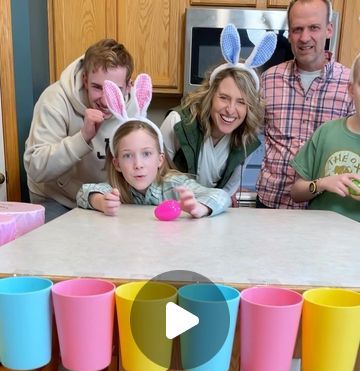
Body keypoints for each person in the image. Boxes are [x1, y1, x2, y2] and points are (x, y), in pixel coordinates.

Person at [76, 74, 231, 217]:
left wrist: (200, 207)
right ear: (117, 164)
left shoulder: (174, 185)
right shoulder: (118, 188)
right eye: (128, 155)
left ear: (160, 159)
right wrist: (101, 202)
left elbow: (221, 196)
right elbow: (83, 192)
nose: (138, 165)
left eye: (147, 154)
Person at [256, 0, 354, 209]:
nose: (304, 37)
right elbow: (244, 138)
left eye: (314, 28)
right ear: (289, 34)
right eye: (297, 29)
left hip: (323, 211)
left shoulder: (351, 86)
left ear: (328, 30)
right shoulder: (269, 79)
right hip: (270, 205)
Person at [159, 25, 277, 200]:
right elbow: (157, 173)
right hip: (172, 209)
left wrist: (207, 207)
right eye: (224, 97)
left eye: (241, 102)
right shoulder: (177, 123)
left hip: (210, 211)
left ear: (249, 108)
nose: (230, 109)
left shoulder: (246, 141)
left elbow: (227, 191)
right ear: (211, 95)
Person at [24, 39, 135, 223]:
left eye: (115, 90)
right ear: (85, 79)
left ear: (129, 86)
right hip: (58, 199)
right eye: (98, 87)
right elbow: (36, 168)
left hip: (106, 200)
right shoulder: (54, 99)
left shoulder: (134, 109)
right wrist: (83, 138)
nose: (106, 101)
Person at [290, 52, 360, 221]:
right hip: (317, 237)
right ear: (351, 90)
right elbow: (296, 193)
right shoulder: (326, 132)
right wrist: (322, 183)